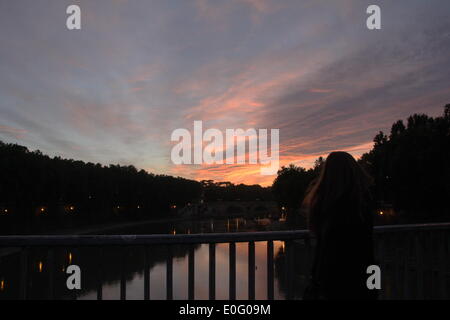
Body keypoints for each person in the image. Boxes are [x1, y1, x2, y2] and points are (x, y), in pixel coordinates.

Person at [302, 151, 377, 300]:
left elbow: (323, 253)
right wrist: (375, 287)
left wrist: (315, 284)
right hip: (362, 279)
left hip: (332, 282)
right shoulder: (363, 203)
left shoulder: (323, 205)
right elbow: (369, 253)